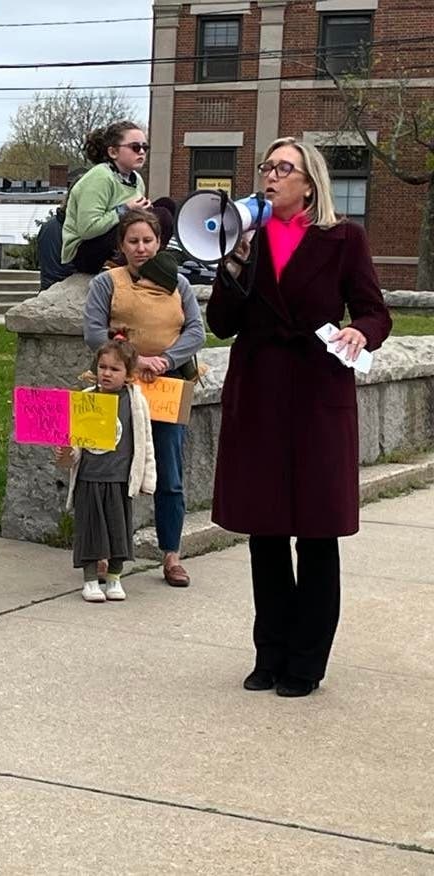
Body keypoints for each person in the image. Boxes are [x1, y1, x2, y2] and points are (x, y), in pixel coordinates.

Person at [207, 137, 392, 698]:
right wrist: (233, 262)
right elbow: (221, 323)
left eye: (283, 168)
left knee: (315, 534)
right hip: (260, 396)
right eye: (267, 166)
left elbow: (375, 311)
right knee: (264, 532)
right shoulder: (248, 239)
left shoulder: (344, 239)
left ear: (309, 183)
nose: (270, 175)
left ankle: (307, 662)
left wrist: (360, 331)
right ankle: (269, 654)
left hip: (316, 397)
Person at [83, 210, 205, 587]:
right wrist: (135, 360)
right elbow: (93, 332)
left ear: (159, 243)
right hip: (116, 389)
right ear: (121, 245)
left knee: (169, 472)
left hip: (167, 387)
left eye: (148, 241)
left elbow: (196, 331)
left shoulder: (179, 284)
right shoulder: (106, 283)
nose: (141, 248)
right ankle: (104, 553)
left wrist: (165, 359)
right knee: (107, 473)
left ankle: (171, 555)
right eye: (133, 241)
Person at [55, 332, 156, 603]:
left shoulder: (135, 402)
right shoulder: (86, 399)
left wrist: (147, 478)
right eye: (102, 367)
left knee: (118, 531)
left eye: (115, 369)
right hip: (89, 477)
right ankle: (90, 581)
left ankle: (114, 578)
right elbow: (75, 443)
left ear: (129, 374)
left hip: (119, 479)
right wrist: (66, 452)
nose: (107, 373)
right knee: (90, 530)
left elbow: (145, 441)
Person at [61, 121, 155, 274]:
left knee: (164, 209)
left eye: (145, 147)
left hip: (118, 244)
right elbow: (87, 229)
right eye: (135, 147)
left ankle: (146, 263)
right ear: (113, 152)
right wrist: (126, 209)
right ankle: (123, 264)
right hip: (85, 253)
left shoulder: (137, 180)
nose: (142, 152)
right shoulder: (100, 176)